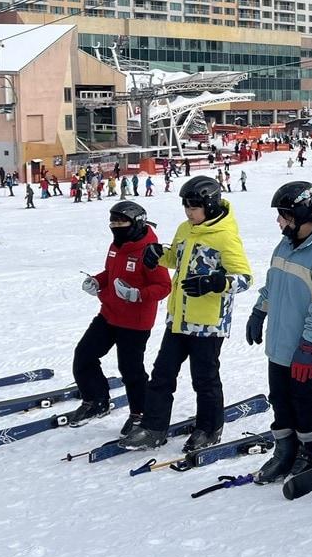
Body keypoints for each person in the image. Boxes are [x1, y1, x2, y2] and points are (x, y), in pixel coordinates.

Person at [119, 176, 252, 452]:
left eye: (194, 207)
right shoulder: (185, 228)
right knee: (162, 374)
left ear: (210, 206)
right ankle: (153, 428)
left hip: (208, 324)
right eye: (186, 207)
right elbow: (175, 259)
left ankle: (209, 427)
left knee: (204, 378)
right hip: (178, 318)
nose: (189, 212)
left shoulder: (225, 236)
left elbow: (244, 278)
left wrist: (215, 283)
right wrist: (159, 254)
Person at [246, 182, 312, 483]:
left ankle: (308, 451)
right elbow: (272, 282)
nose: (279, 221)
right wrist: (259, 310)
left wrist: (309, 345)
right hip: (280, 342)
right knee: (280, 398)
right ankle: (284, 451)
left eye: (284, 215)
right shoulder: (286, 244)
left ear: (303, 215)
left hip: (306, 347)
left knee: (304, 400)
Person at [68, 201, 171, 432]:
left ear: (136, 223)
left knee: (130, 369)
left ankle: (140, 414)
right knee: (84, 355)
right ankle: (96, 400)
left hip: (135, 322)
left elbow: (164, 286)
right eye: (113, 222)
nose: (115, 226)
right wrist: (97, 280)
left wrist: (137, 294)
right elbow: (111, 273)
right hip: (109, 313)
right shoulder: (116, 246)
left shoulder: (150, 251)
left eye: (121, 221)